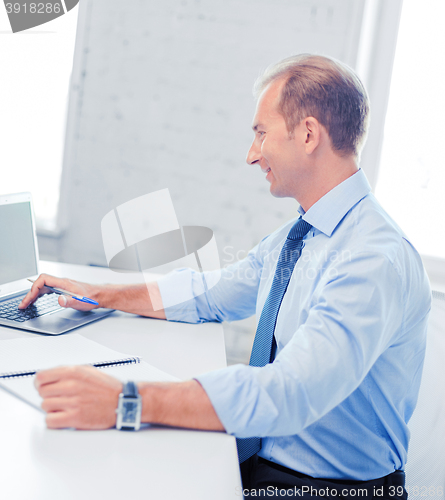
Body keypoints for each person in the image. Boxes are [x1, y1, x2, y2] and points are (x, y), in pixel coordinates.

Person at [19, 54, 431, 498]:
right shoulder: (303, 235)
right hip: (269, 463)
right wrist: (100, 293)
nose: (251, 154)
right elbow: (212, 294)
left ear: (308, 134)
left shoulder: (372, 258)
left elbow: (288, 393)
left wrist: (125, 400)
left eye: (260, 133)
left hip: (325, 489)